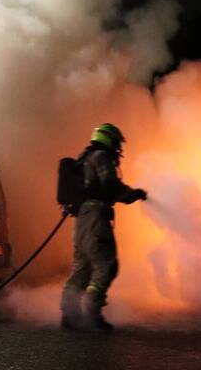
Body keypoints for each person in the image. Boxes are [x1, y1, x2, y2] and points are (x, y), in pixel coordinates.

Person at [61, 123, 147, 331]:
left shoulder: (84, 159)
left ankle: (69, 315)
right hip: (96, 218)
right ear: (108, 139)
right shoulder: (101, 157)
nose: (118, 148)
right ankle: (92, 314)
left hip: (81, 220)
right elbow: (110, 186)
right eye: (116, 143)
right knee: (105, 265)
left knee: (82, 268)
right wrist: (133, 194)